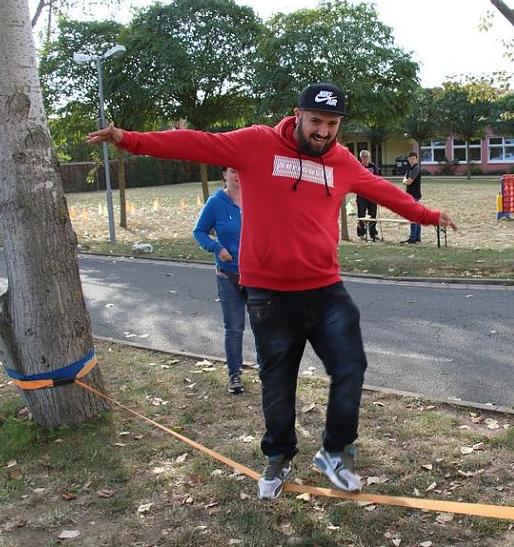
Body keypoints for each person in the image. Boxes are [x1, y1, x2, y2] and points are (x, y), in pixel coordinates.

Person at [87, 82, 457, 501]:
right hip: (269, 294)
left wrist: (428, 215)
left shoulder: (342, 161)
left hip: (326, 289)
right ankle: (279, 456)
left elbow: (383, 190)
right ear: (297, 115)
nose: (323, 132)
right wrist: (129, 139)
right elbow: (197, 143)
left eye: (332, 124)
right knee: (278, 382)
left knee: (351, 366)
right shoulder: (257, 144)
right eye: (315, 121)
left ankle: (336, 452)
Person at [192, 167, 253, 395]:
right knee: (234, 328)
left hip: (256, 275)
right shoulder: (216, 203)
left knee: (262, 327)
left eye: (241, 170)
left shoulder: (255, 198)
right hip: (228, 275)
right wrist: (217, 248)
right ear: (224, 175)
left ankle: (266, 371)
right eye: (233, 171)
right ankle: (234, 375)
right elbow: (199, 232)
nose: (238, 175)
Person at [355, 150, 379, 241]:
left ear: (369, 157)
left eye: (367, 156)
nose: (365, 158)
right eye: (364, 156)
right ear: (361, 158)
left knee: (373, 215)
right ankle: (361, 233)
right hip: (361, 195)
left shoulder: (373, 166)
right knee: (361, 215)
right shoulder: (358, 166)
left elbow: (377, 178)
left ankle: (373, 233)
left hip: (372, 195)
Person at [401, 151, 422, 244]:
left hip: (414, 195)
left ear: (416, 159)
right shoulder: (409, 169)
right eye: (410, 159)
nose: (412, 160)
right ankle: (417, 237)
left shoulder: (416, 168)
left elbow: (409, 181)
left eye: (413, 158)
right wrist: (406, 181)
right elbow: (404, 179)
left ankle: (413, 237)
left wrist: (406, 181)